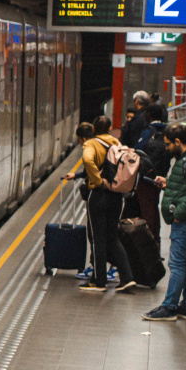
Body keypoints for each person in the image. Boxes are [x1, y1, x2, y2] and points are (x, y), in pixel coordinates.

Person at [144, 123, 186, 322]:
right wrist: (168, 183)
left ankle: (170, 306)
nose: (166, 148)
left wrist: (179, 212)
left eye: (168, 144)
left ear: (178, 142)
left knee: (177, 263)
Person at [61, 116, 126, 294]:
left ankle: (99, 280)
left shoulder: (91, 144)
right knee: (112, 237)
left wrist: (96, 181)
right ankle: (127, 277)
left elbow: (89, 161)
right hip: (116, 195)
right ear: (110, 127)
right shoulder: (116, 142)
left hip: (99, 195)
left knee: (98, 239)